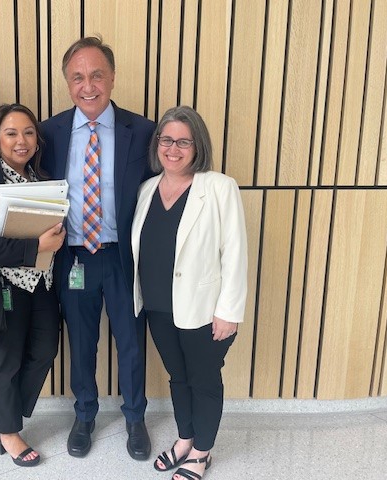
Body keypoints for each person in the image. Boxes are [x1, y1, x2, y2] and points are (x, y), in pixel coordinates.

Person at [40, 36, 156, 460]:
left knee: (130, 341)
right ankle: (84, 414)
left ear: (112, 77)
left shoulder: (141, 130)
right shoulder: (49, 132)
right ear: (67, 83)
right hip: (73, 256)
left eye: (96, 75)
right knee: (81, 341)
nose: (88, 86)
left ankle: (134, 418)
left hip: (122, 257)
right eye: (77, 77)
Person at [131, 106, 247, 480]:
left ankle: (202, 452)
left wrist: (228, 311)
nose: (174, 149)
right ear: (157, 144)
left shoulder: (218, 187)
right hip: (159, 306)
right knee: (177, 377)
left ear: (198, 146)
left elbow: (235, 252)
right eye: (167, 140)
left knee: (204, 378)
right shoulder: (147, 189)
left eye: (184, 141)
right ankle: (185, 438)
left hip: (204, 309)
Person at [0, 103, 65, 467]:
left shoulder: (43, 180)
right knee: (7, 359)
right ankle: (7, 431)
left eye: (28, 132)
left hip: (42, 283)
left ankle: (4, 411)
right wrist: (35, 246)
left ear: (37, 140)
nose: (21, 141)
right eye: (11, 133)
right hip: (5, 286)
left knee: (44, 351)